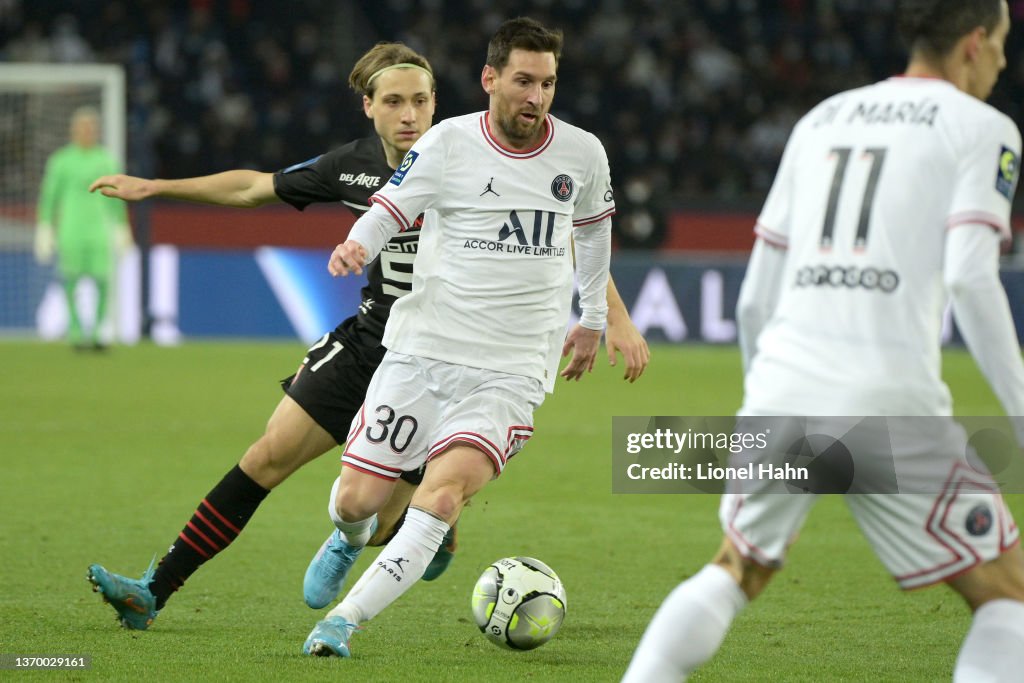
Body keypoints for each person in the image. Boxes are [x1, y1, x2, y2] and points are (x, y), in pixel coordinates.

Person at [85, 42, 649, 631]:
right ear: (369, 107)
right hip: (372, 341)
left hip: (454, 354)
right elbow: (253, 188)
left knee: (376, 519)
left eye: (422, 101)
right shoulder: (351, 167)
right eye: (396, 102)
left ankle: (426, 524)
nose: (411, 115)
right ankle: (154, 588)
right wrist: (155, 187)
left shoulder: (469, 156)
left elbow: (561, 243)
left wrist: (613, 316)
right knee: (267, 456)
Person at [622, 2, 1024, 681]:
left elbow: (754, 299)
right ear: (975, 43)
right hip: (890, 398)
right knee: (1006, 595)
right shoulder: (983, 128)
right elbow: (969, 276)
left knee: (735, 568)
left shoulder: (822, 119)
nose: (1006, 63)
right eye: (1005, 46)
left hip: (783, 385)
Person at [300, 16, 616, 658]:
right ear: (490, 78)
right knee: (356, 500)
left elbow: (592, 233)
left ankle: (344, 623)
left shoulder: (582, 153)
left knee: (441, 496)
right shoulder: (447, 142)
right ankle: (348, 537)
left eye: (548, 84)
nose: (536, 97)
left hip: (513, 368)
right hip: (423, 350)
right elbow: (392, 205)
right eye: (524, 81)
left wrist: (594, 319)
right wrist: (358, 244)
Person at [35, 106, 133, 350]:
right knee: (70, 281)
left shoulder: (106, 159)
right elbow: (50, 197)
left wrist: (122, 227)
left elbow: (118, 197)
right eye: (83, 127)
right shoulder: (61, 160)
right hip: (71, 230)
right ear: (73, 130)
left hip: (99, 230)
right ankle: (76, 332)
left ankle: (99, 332)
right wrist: (45, 227)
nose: (87, 131)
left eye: (91, 127)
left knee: (103, 281)